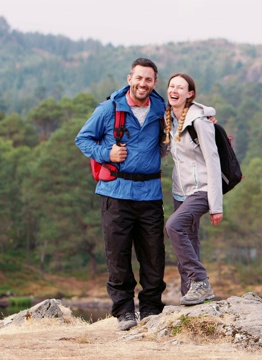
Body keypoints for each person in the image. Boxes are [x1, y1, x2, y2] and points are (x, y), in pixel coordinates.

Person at [75, 58, 167, 331]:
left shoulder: (161, 108)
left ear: (155, 83)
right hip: (115, 193)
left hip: (150, 194)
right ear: (130, 78)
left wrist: (211, 121)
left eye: (148, 79)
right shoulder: (109, 109)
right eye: (139, 78)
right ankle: (124, 312)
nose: (143, 84)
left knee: (154, 254)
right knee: (118, 254)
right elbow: (83, 138)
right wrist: (107, 154)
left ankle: (151, 309)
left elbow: (187, 114)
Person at [163, 73, 223, 306]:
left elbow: (213, 161)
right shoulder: (169, 118)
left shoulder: (200, 121)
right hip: (181, 190)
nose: (174, 90)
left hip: (203, 189)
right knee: (187, 244)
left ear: (190, 94)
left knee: (174, 226)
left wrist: (216, 205)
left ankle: (200, 281)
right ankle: (192, 297)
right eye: (171, 86)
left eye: (180, 87)